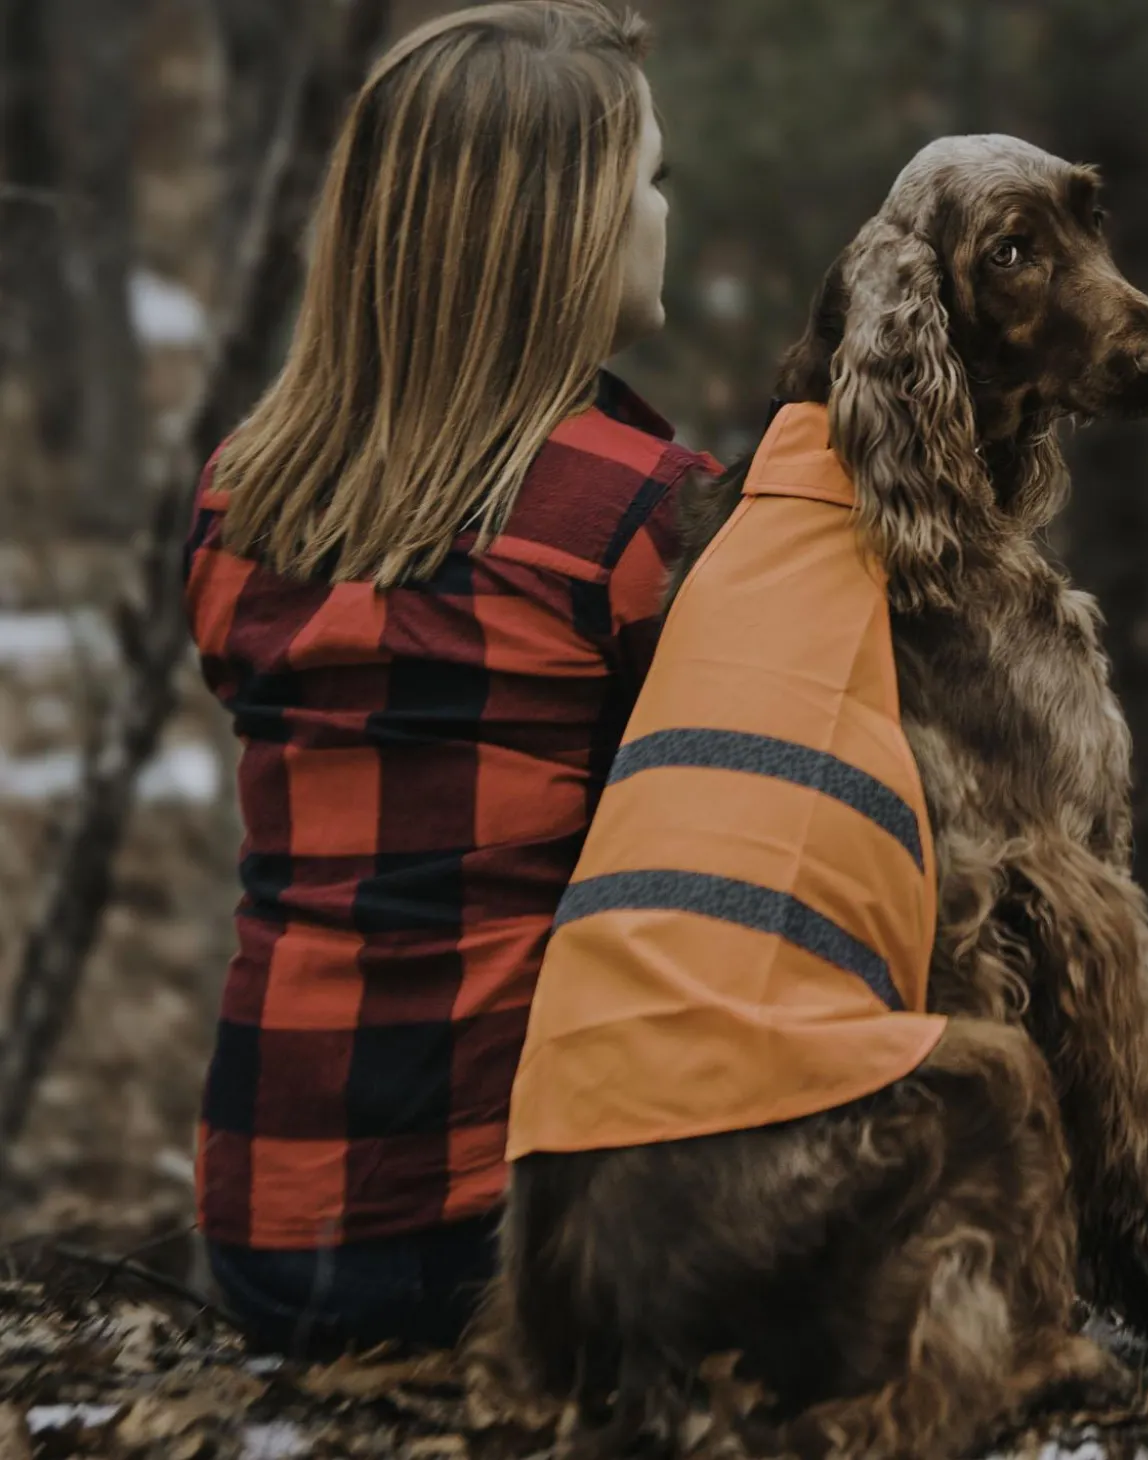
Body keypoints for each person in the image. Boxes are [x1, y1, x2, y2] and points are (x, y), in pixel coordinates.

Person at [184, 0, 716, 1355]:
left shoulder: (240, 497)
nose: (666, 210)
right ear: (568, 231)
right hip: (510, 1236)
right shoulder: (648, 515)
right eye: (649, 179)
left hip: (260, 1227)